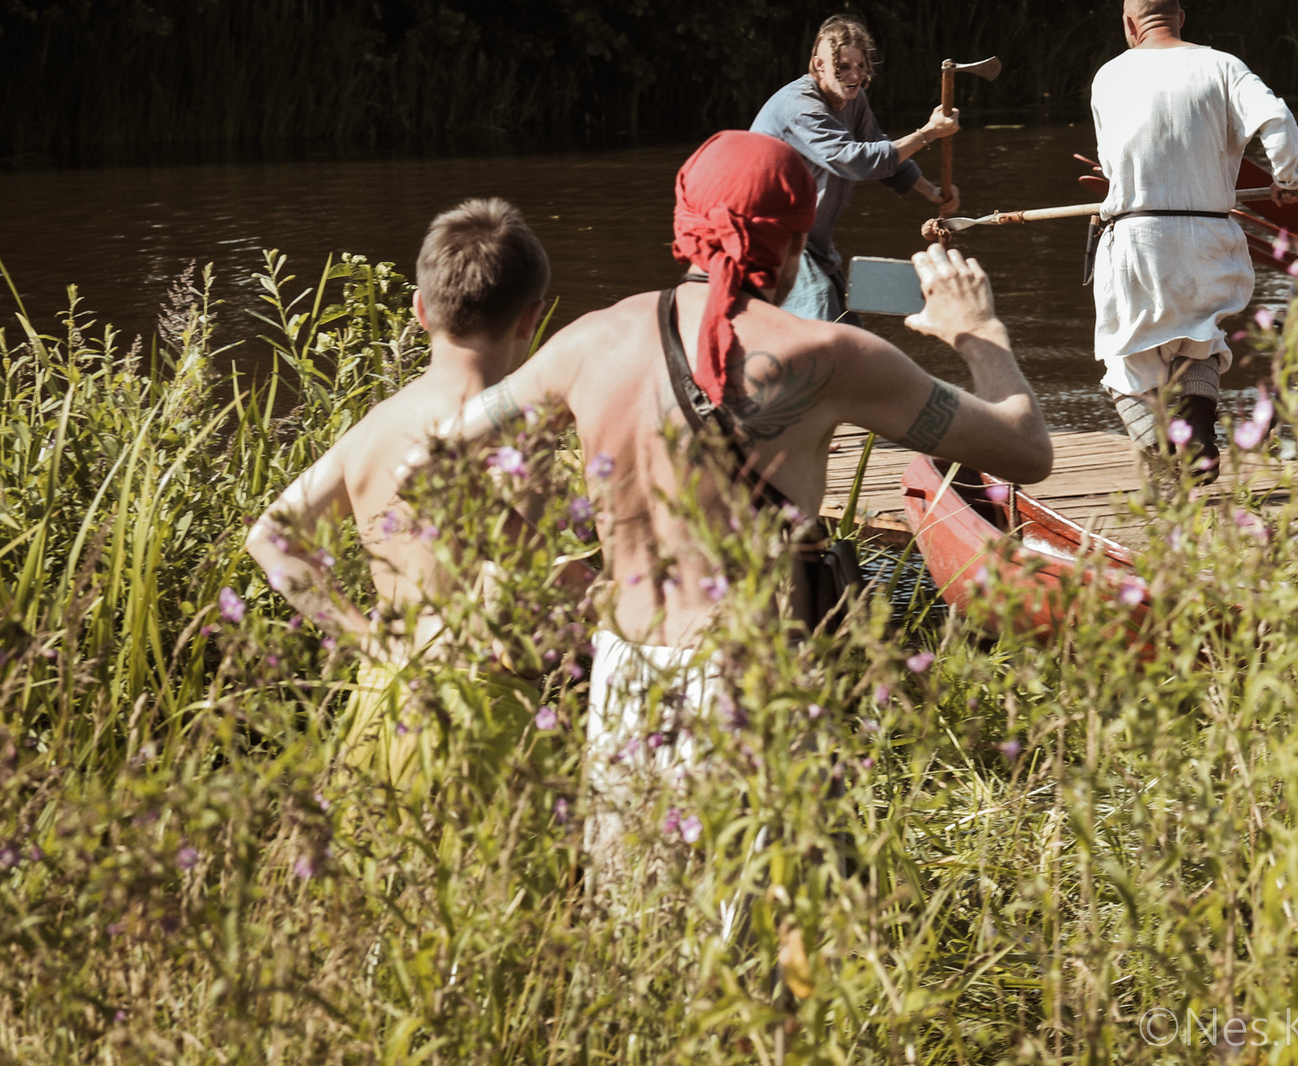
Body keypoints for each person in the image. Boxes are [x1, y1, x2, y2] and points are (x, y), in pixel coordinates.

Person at [407, 131, 1052, 894]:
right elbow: (1025, 446)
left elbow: (430, 462)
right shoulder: (830, 355)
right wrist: (978, 332)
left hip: (625, 679)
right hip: (754, 687)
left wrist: (548, 554)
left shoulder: (587, 342)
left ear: (684, 226)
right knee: (777, 943)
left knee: (644, 933)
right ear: (795, 243)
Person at [245, 199, 576, 785]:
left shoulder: (377, 425)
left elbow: (269, 538)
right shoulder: (516, 442)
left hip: (381, 702)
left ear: (421, 308)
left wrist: (365, 642)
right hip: (478, 718)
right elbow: (512, 621)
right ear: (531, 318)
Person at [1090, 0, 1298, 482]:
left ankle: (1164, 454)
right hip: (1210, 233)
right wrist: (1289, 179)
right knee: (1200, 339)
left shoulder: (1108, 76)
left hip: (1137, 235)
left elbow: (1110, 163)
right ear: (1181, 18)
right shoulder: (1223, 66)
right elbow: (1275, 118)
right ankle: (1199, 438)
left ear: (1129, 25)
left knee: (1126, 360)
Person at [751, 14, 961, 323]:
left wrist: (932, 191)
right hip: (771, 239)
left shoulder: (854, 99)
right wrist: (928, 133)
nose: (854, 76)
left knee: (848, 325)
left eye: (860, 66)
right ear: (820, 65)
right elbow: (855, 161)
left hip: (812, 242)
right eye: (844, 66)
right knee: (821, 315)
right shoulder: (800, 107)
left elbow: (878, 149)